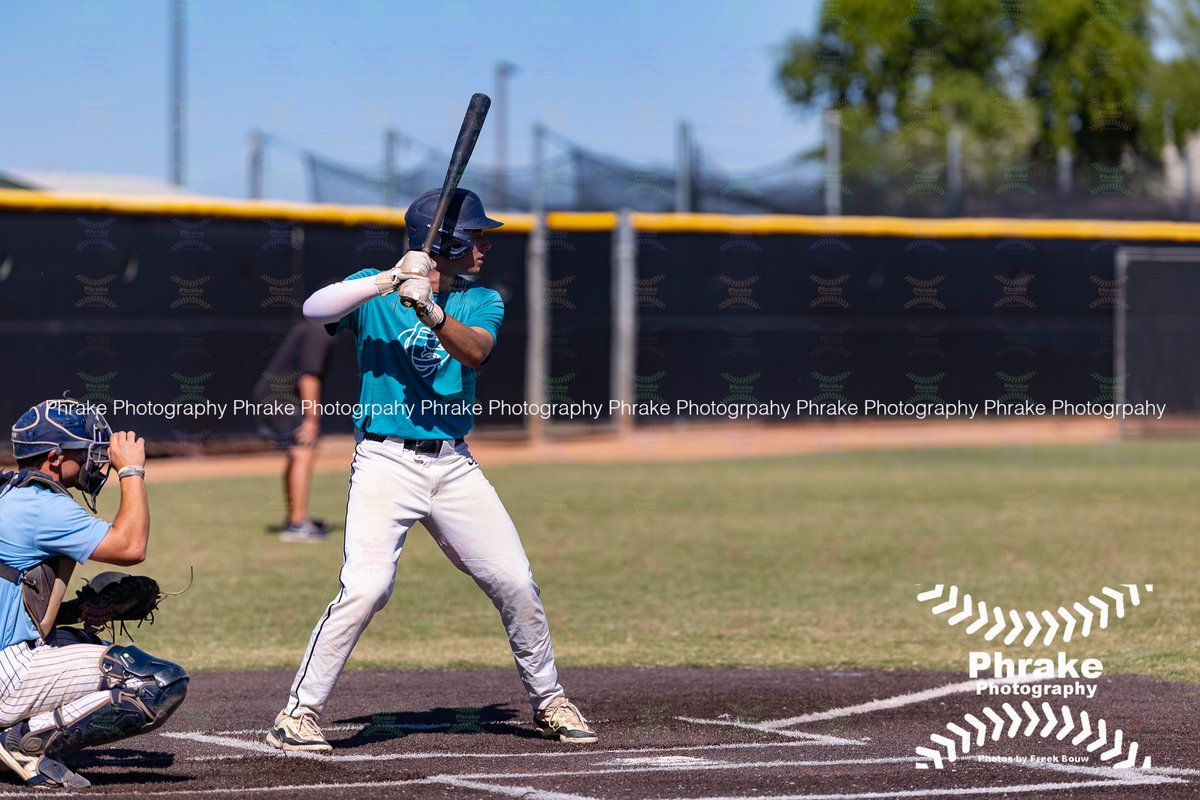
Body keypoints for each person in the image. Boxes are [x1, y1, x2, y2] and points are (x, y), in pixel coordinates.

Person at [267, 188, 597, 752]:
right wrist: (390, 280)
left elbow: (476, 351)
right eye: (476, 236)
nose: (485, 245)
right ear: (444, 239)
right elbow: (315, 309)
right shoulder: (374, 290)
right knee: (366, 589)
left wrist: (431, 310)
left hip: (453, 464)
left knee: (515, 582)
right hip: (385, 461)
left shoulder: (481, 299)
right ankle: (298, 714)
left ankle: (550, 701)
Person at [0, 399, 188, 788]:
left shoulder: (11, 493)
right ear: (54, 458)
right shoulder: (43, 506)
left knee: (82, 641)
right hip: (7, 671)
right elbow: (130, 547)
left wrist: (79, 609)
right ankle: (18, 741)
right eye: (82, 451)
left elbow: (13, 603)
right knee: (156, 681)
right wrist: (131, 470)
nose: (94, 459)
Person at [252, 318, 338, 541]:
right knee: (303, 451)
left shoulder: (314, 327)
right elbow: (309, 377)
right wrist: (312, 419)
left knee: (298, 452)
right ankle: (297, 524)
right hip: (281, 399)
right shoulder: (320, 330)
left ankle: (295, 519)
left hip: (277, 397)